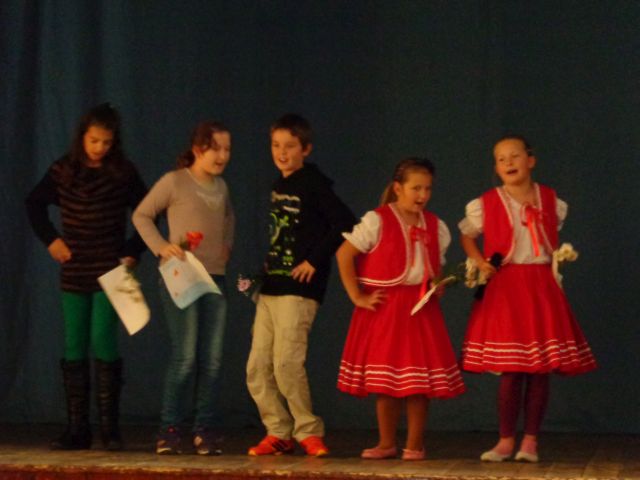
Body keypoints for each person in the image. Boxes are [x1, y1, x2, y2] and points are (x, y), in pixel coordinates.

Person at [459, 135, 597, 463]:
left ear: (530, 160)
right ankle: (505, 440)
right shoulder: (487, 202)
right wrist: (480, 262)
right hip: (506, 289)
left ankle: (531, 441)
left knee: (538, 369)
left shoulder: (550, 199)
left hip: (540, 287)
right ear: (496, 167)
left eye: (515, 156)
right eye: (501, 159)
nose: (508, 163)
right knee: (511, 368)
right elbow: (467, 235)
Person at [25, 103, 147, 450]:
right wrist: (52, 240)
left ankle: (110, 430)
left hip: (113, 270)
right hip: (75, 268)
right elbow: (34, 203)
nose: (100, 148)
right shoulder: (64, 170)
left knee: (103, 338)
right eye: (94, 141)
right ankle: (78, 429)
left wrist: (133, 250)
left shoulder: (123, 172)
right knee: (74, 343)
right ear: (82, 137)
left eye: (106, 142)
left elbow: (149, 212)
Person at [336, 157, 465, 461]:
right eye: (416, 188)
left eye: (427, 189)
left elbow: (433, 268)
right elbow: (344, 255)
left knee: (418, 383)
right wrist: (357, 296)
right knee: (386, 382)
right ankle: (386, 443)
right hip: (387, 311)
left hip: (420, 312)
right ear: (398, 188)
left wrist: (437, 283)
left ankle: (414, 445)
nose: (423, 195)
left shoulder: (435, 226)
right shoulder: (377, 220)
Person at [246, 114, 356, 457]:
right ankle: (278, 430)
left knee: (286, 364)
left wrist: (313, 261)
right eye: (276, 145)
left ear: (305, 149)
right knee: (257, 366)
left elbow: (345, 222)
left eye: (290, 146)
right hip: (271, 287)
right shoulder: (279, 186)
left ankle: (308, 430)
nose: (282, 153)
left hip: (298, 290)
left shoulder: (313, 183)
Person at [132, 121, 234, 455]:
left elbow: (228, 218)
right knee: (186, 356)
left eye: (227, 149)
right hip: (181, 277)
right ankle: (170, 429)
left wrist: (226, 245)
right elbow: (142, 215)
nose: (222, 155)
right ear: (197, 149)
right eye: (215, 148)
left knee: (212, 359)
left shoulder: (221, 187)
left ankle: (204, 429)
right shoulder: (175, 181)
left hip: (214, 278)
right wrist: (162, 247)